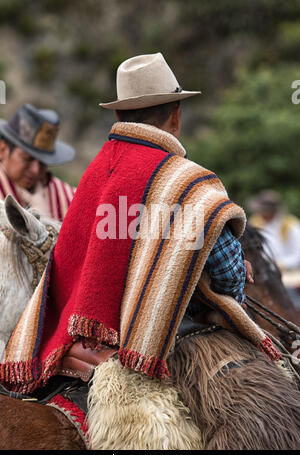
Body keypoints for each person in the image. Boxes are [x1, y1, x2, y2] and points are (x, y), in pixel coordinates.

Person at [0, 53, 280, 399]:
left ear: (119, 114)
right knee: (264, 404)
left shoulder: (94, 175)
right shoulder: (186, 182)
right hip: (150, 345)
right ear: (176, 115)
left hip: (79, 334)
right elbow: (229, 275)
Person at [0, 104, 76, 221]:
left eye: (42, 163)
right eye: (27, 158)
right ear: (3, 149)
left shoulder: (70, 198)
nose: (36, 170)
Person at [248, 190, 300, 271]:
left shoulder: (290, 225)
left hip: (290, 272)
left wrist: (278, 264)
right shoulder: (255, 223)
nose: (261, 214)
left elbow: (297, 256)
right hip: (262, 271)